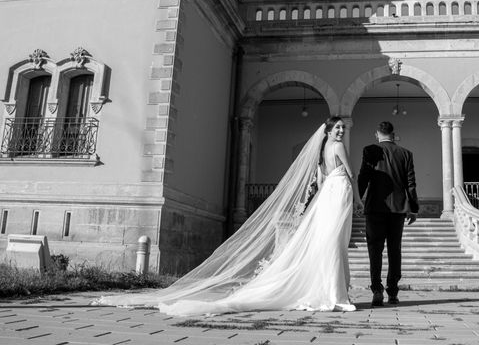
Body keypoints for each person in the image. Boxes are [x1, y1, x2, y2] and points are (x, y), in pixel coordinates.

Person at [95, 116, 364, 317]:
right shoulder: (338, 147)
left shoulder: (321, 154)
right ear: (328, 131)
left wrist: (310, 208)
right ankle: (333, 294)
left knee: (327, 244)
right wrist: (359, 200)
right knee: (333, 244)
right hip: (338, 194)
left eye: (342, 127)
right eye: (337, 127)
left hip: (329, 196)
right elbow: (350, 175)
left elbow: (318, 183)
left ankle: (328, 291)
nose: (341, 131)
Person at [357, 121, 419, 307]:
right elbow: (411, 183)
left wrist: (358, 201)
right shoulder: (406, 154)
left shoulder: (369, 150)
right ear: (394, 134)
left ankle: (377, 289)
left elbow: (363, 177)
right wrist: (413, 208)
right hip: (398, 209)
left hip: (375, 207)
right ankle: (393, 291)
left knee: (374, 250)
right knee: (395, 249)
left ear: (377, 134)